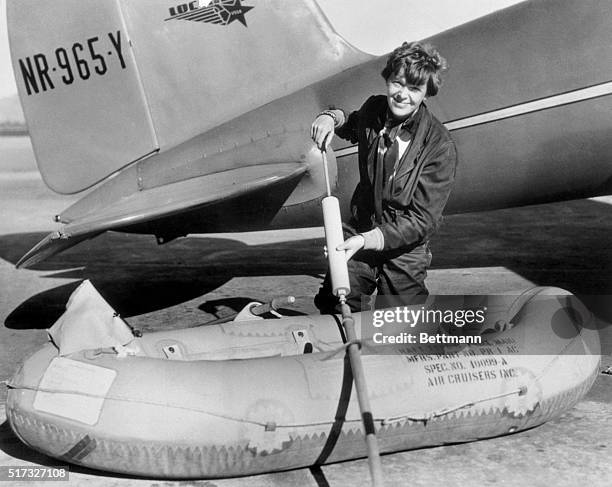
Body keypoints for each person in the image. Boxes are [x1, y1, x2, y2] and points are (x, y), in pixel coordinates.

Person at [311, 41, 458, 312]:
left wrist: (368, 240)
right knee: (336, 304)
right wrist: (330, 118)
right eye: (397, 83)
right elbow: (352, 123)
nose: (402, 95)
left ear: (426, 93)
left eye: (414, 88)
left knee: (400, 327)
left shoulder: (440, 147)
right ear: (388, 80)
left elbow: (422, 220)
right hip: (362, 227)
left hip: (404, 249)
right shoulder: (374, 109)